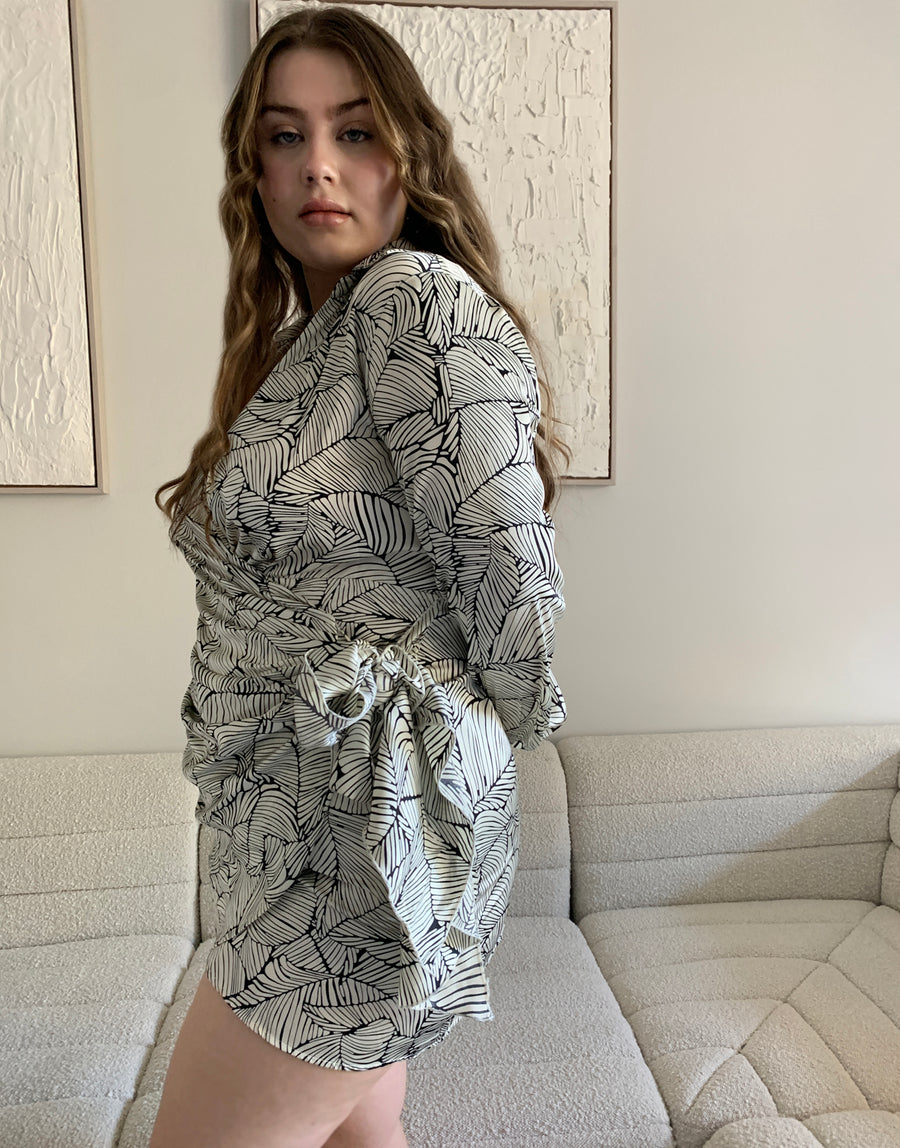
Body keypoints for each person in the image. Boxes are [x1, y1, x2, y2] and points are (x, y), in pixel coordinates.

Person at [150, 7, 568, 1147]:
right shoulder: (311, 339)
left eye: (355, 130)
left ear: (408, 152)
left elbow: (508, 568)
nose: (318, 167)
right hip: (304, 833)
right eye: (285, 136)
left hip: (361, 842)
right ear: (254, 169)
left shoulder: (409, 300)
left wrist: (463, 743)